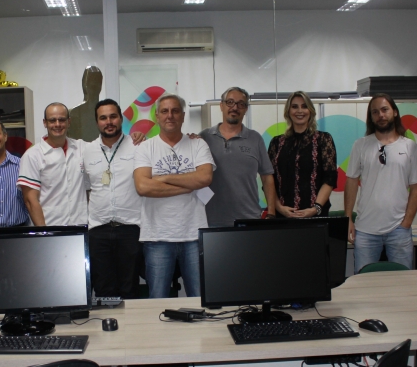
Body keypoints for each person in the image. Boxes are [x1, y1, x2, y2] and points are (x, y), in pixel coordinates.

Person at [134, 94, 215, 298]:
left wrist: (164, 178)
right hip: (157, 236)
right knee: (158, 299)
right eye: (164, 111)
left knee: (200, 298)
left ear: (183, 115)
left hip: (194, 234)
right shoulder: (146, 148)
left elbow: (205, 178)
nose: (170, 115)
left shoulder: (198, 145)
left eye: (175, 111)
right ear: (157, 116)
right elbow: (143, 186)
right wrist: (187, 186)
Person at [345, 94, 417, 273]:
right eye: (375, 112)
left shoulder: (409, 146)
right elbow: (351, 181)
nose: (380, 115)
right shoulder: (360, 145)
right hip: (365, 230)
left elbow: (416, 188)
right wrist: (348, 218)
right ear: (371, 117)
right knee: (364, 281)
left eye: (384, 109)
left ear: (394, 112)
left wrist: (406, 223)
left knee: (402, 282)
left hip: (399, 230)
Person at [83, 99, 143, 299]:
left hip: (131, 229)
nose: (108, 122)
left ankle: (131, 321)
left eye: (113, 116)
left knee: (130, 289)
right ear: (97, 122)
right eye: (103, 118)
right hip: (98, 231)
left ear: (121, 119)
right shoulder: (86, 151)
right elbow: (85, 188)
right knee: (103, 290)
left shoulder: (138, 146)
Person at [200, 86, 277, 226]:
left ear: (246, 109)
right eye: (230, 102)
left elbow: (267, 177)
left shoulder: (255, 138)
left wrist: (271, 213)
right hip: (211, 219)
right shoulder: (204, 137)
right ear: (221, 106)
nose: (234, 107)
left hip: (249, 218)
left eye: (240, 104)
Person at [268, 91, 338, 218]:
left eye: (304, 106)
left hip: (315, 216)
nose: (300, 111)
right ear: (288, 111)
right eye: (294, 107)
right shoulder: (276, 143)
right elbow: (269, 180)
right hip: (283, 215)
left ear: (310, 111)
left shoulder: (324, 139)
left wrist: (315, 209)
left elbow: (330, 178)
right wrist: (279, 208)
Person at [17, 103, 88, 226]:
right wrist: (44, 232)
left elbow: (106, 145)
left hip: (80, 227)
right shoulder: (32, 156)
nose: (57, 124)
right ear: (45, 123)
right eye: (52, 120)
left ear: (69, 122)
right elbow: (30, 200)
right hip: (51, 228)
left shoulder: (82, 148)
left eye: (62, 120)